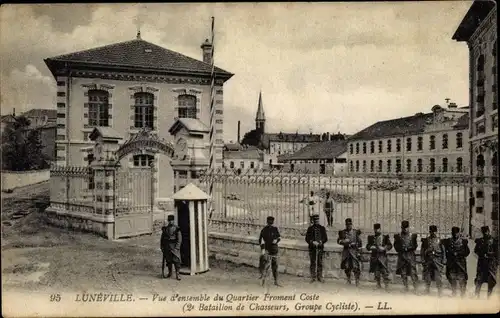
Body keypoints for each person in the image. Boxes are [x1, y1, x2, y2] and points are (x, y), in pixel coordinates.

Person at [442, 227, 470, 297]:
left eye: (456, 233)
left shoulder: (463, 242)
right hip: (452, 263)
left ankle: (462, 294)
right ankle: (454, 292)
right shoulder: (448, 241)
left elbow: (467, 252)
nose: (455, 234)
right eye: (453, 233)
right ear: (452, 233)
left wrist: (458, 253)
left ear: (459, 233)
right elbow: (442, 245)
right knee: (452, 277)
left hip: (461, 263)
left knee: (462, 278)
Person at [393, 220, 419, 293]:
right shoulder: (398, 236)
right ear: (401, 228)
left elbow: (415, 245)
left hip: (410, 256)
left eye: (406, 228)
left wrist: (409, 248)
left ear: (408, 227)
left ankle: (415, 288)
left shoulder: (412, 236)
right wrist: (401, 249)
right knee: (403, 272)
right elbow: (395, 246)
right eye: (403, 228)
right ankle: (405, 287)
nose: (405, 229)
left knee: (413, 272)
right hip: (402, 256)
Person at [420, 225, 446, 296]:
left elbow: (443, 251)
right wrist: (422, 259)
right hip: (428, 261)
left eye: (434, 232)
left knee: (438, 277)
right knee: (427, 277)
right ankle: (427, 290)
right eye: (431, 232)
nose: (433, 233)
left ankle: (440, 291)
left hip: (437, 261)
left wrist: (444, 260)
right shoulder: (425, 240)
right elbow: (422, 251)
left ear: (436, 232)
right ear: (429, 232)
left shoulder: (439, 240)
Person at [474, 226, 498, 298]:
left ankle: (489, 296)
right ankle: (476, 296)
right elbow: (476, 250)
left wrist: (491, 255)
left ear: (489, 231)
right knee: (479, 280)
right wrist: (482, 254)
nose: (485, 233)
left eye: (486, 232)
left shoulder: (494, 241)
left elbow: (497, 252)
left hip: (491, 264)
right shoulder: (480, 241)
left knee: (491, 280)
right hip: (482, 263)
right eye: (484, 232)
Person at [366, 223, 392, 291]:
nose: (376, 231)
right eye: (375, 229)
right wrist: (371, 247)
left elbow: (390, 245)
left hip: (382, 257)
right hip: (375, 257)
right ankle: (378, 285)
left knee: (384, 272)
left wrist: (384, 248)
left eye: (377, 229)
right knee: (376, 272)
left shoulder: (385, 237)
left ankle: (387, 286)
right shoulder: (371, 238)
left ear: (380, 229)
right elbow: (367, 246)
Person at [337, 218, 362, 286]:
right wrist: (343, 241)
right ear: (345, 225)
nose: (348, 226)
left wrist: (359, 252)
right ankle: (348, 279)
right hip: (346, 252)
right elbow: (338, 241)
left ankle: (357, 281)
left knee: (356, 267)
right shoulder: (343, 232)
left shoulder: (355, 232)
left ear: (352, 224)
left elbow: (359, 243)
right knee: (347, 267)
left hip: (354, 251)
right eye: (347, 224)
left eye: (350, 224)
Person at [258, 216, 282, 287]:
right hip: (267, 250)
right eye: (269, 223)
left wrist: (276, 240)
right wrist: (263, 250)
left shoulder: (275, 229)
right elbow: (261, 240)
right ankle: (263, 280)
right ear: (267, 222)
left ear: (273, 222)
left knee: (275, 266)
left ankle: (276, 281)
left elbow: (279, 237)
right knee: (265, 266)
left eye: (271, 223)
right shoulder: (264, 230)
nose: (270, 224)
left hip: (274, 250)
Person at [305, 214, 328, 283]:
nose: (316, 221)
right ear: (313, 221)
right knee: (313, 262)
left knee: (320, 262)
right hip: (312, 248)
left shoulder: (322, 228)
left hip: (320, 248)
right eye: (315, 220)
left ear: (319, 220)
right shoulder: (310, 228)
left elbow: (325, 238)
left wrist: (321, 242)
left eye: (317, 220)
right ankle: (313, 277)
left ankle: (319, 276)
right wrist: (312, 242)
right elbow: (307, 238)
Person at [160, 215, 182, 280]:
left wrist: (177, 248)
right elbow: (162, 239)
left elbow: (179, 239)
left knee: (176, 260)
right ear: (168, 221)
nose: (170, 222)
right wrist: (162, 246)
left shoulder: (177, 228)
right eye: (169, 220)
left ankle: (177, 274)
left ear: (173, 221)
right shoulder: (165, 229)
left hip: (174, 247)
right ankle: (170, 273)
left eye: (172, 220)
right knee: (168, 260)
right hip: (167, 247)